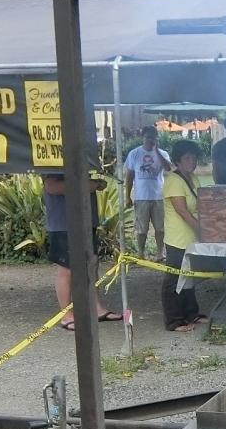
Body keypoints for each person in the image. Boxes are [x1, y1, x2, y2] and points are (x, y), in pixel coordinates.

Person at [43, 171, 120, 331]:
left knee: (91, 263)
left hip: (86, 220)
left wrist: (93, 184)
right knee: (67, 269)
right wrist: (90, 185)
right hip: (64, 223)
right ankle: (66, 315)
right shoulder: (52, 161)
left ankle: (96, 308)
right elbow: (51, 186)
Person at [161, 139, 211, 331]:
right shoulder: (173, 181)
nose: (192, 161)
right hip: (178, 238)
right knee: (174, 279)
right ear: (178, 160)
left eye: (194, 157)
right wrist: (202, 230)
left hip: (191, 238)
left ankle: (191, 313)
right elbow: (183, 211)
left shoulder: (193, 178)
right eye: (188, 158)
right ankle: (173, 320)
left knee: (188, 278)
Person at [123, 126, 171, 260]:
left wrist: (157, 151)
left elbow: (168, 168)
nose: (150, 140)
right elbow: (129, 176)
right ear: (142, 138)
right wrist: (128, 196)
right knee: (142, 229)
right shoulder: (134, 153)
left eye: (153, 137)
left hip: (158, 196)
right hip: (141, 197)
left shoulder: (163, 153)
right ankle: (141, 253)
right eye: (148, 137)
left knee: (160, 228)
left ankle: (160, 253)